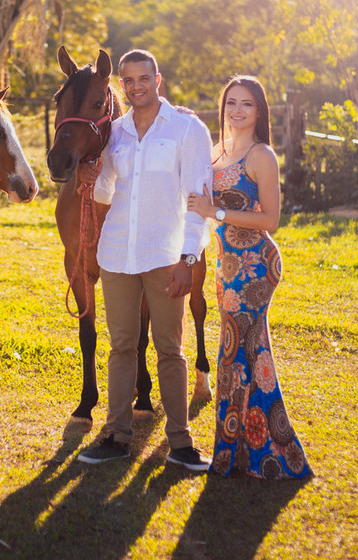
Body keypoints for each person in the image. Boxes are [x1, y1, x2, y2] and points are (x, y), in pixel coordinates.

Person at [75, 49, 213, 471]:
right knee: (121, 346)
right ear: (122, 84)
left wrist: (189, 258)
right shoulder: (114, 132)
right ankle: (116, 435)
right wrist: (91, 179)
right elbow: (107, 193)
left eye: (143, 78)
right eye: (128, 80)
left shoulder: (188, 130)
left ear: (159, 80)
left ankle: (181, 442)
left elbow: (198, 199)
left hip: (165, 254)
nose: (136, 86)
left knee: (169, 348)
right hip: (117, 252)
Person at [186, 75, 312, 479]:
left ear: (259, 112)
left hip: (256, 263)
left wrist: (216, 212)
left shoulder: (262, 156)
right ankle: (264, 450)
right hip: (227, 268)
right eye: (231, 103)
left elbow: (270, 219)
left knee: (233, 355)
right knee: (252, 357)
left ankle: (228, 453)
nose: (236, 110)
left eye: (246, 104)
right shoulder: (216, 152)